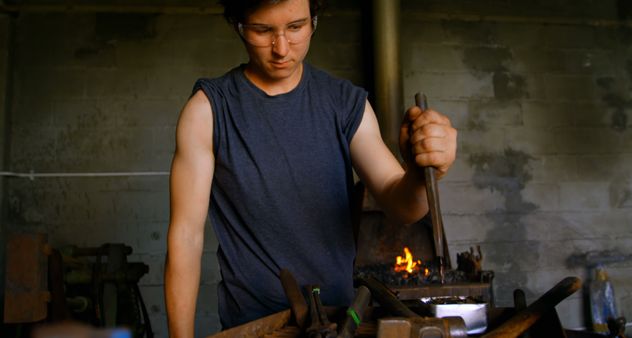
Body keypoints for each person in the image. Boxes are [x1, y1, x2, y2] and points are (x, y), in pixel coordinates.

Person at [164, 0, 457, 336]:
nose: (282, 48)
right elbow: (185, 237)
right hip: (251, 327)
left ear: (313, 20)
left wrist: (422, 175)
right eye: (263, 31)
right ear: (239, 26)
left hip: (339, 323)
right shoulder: (208, 111)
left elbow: (402, 206)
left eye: (296, 27)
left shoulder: (345, 103)